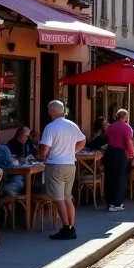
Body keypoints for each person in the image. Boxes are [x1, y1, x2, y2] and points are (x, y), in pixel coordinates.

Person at [38, 101, 86, 239]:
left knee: (59, 199)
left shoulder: (50, 127)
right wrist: (73, 151)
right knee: (67, 197)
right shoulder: (72, 125)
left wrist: (42, 154)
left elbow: (45, 149)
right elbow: (83, 140)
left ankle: (66, 228)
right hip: (70, 164)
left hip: (55, 164)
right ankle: (72, 227)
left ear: (51, 111)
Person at [104, 109, 134, 212]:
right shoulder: (127, 127)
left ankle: (110, 203)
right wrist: (133, 156)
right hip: (121, 153)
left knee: (109, 177)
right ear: (126, 117)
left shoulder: (110, 127)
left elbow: (107, 138)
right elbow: (129, 142)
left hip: (109, 152)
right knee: (120, 178)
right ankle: (117, 203)